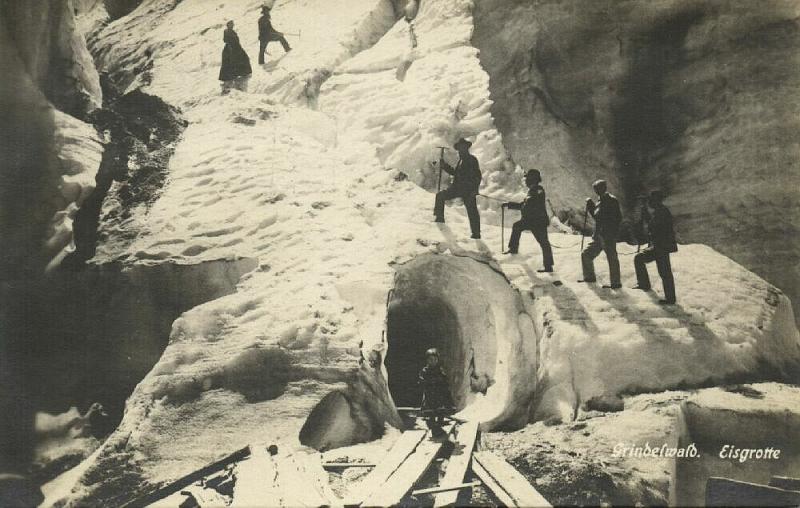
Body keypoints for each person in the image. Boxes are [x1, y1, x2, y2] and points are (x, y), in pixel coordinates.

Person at [503, 169, 554, 272]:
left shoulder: (539, 189)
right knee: (517, 226)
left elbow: (531, 202)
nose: (525, 181)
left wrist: (527, 202)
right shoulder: (533, 190)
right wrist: (509, 204)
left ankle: (548, 267)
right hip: (531, 221)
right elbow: (524, 205)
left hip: (538, 222)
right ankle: (513, 249)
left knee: (544, 243)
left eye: (527, 178)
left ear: (532, 179)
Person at [633, 190, 677, 304]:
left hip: (661, 247)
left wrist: (645, 215)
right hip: (657, 247)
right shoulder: (659, 211)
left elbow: (654, 227)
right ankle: (644, 284)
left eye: (651, 200)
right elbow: (652, 225)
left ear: (657, 201)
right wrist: (645, 212)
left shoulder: (662, 212)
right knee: (639, 259)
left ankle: (670, 299)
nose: (649, 202)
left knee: (665, 273)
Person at [433, 138, 482, 239]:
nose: (460, 150)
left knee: (472, 211)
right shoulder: (460, 161)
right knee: (440, 195)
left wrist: (474, 190)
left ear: (467, 148)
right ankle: (439, 219)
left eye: (462, 148)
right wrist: (444, 166)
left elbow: (477, 176)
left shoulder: (472, 160)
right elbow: (455, 174)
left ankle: (476, 233)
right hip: (457, 188)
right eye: (459, 149)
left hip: (468, 190)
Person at [579, 179, 622, 288]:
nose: (596, 191)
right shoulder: (600, 201)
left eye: (597, 189)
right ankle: (589, 277)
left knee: (612, 258)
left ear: (603, 188)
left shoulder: (612, 200)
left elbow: (616, 218)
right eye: (595, 189)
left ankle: (616, 283)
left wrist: (611, 232)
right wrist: (591, 206)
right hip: (599, 235)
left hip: (608, 236)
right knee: (586, 254)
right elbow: (597, 217)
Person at [418, 348, 453, 432]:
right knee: (430, 407)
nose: (433, 361)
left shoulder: (440, 370)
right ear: (427, 360)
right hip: (430, 392)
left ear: (437, 360)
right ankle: (431, 420)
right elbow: (421, 379)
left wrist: (442, 382)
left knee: (440, 406)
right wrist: (426, 382)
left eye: (435, 359)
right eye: (430, 359)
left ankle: (440, 419)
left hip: (438, 392)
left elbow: (445, 379)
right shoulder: (425, 371)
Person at [219, 21, 252, 91]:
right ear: (228, 25)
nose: (232, 25)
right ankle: (232, 79)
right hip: (231, 49)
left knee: (243, 59)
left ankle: (239, 75)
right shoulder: (227, 31)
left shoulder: (230, 31)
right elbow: (225, 40)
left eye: (232, 24)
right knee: (231, 63)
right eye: (231, 24)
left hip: (235, 48)